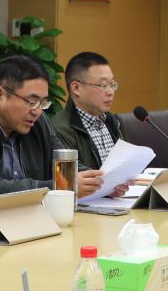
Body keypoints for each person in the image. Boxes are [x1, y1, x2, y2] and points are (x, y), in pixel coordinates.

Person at [0, 55, 101, 200]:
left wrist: (99, 182)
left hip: (27, 216)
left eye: (42, 102)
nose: (37, 111)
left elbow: (65, 165)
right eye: (32, 101)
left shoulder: (38, 122)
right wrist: (62, 186)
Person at [49, 52, 131, 196]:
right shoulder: (58, 128)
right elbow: (71, 178)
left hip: (117, 201)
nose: (111, 92)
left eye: (112, 84)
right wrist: (107, 185)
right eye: (103, 85)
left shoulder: (111, 121)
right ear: (76, 88)